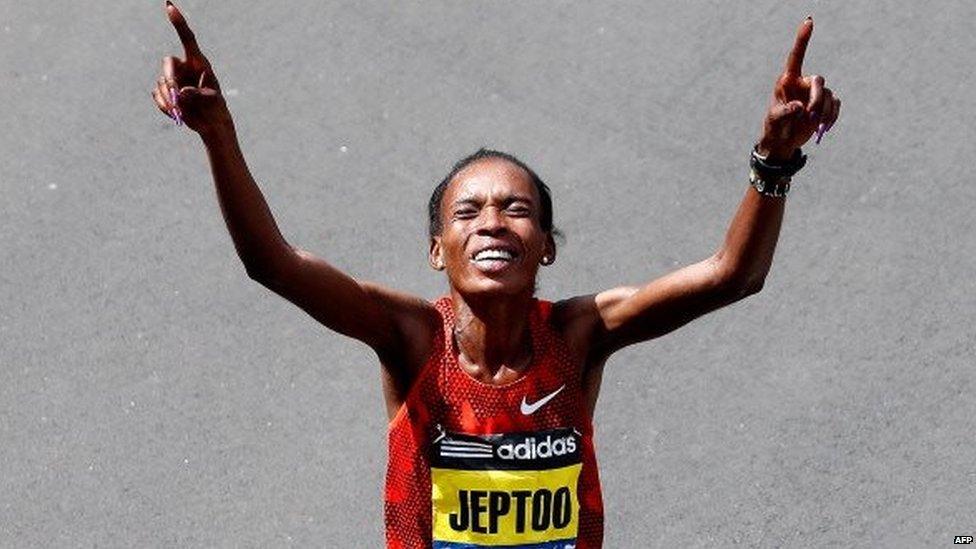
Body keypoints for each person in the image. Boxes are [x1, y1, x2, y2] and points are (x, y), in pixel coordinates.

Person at [151, 2, 840, 547]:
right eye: (467, 211)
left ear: (545, 247)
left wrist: (773, 160)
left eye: (516, 209)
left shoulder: (581, 333)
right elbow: (272, 262)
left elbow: (732, 274)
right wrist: (218, 134)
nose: (492, 222)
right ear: (437, 249)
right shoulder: (413, 337)